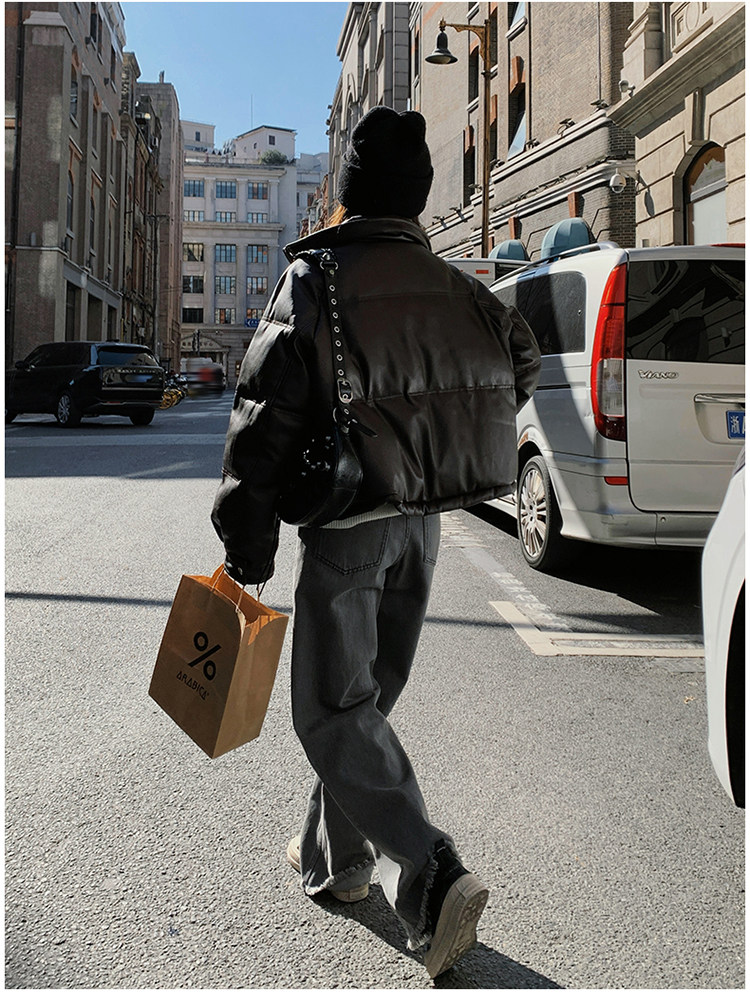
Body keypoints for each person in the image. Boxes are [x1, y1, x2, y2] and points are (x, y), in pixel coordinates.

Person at [212, 106, 541, 979]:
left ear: (349, 193)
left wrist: (246, 541)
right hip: (422, 527)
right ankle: (338, 862)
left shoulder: (316, 278)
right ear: (416, 196)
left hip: (350, 526)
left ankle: (431, 875)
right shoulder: (456, 286)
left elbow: (263, 421)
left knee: (331, 710)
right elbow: (521, 362)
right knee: (364, 701)